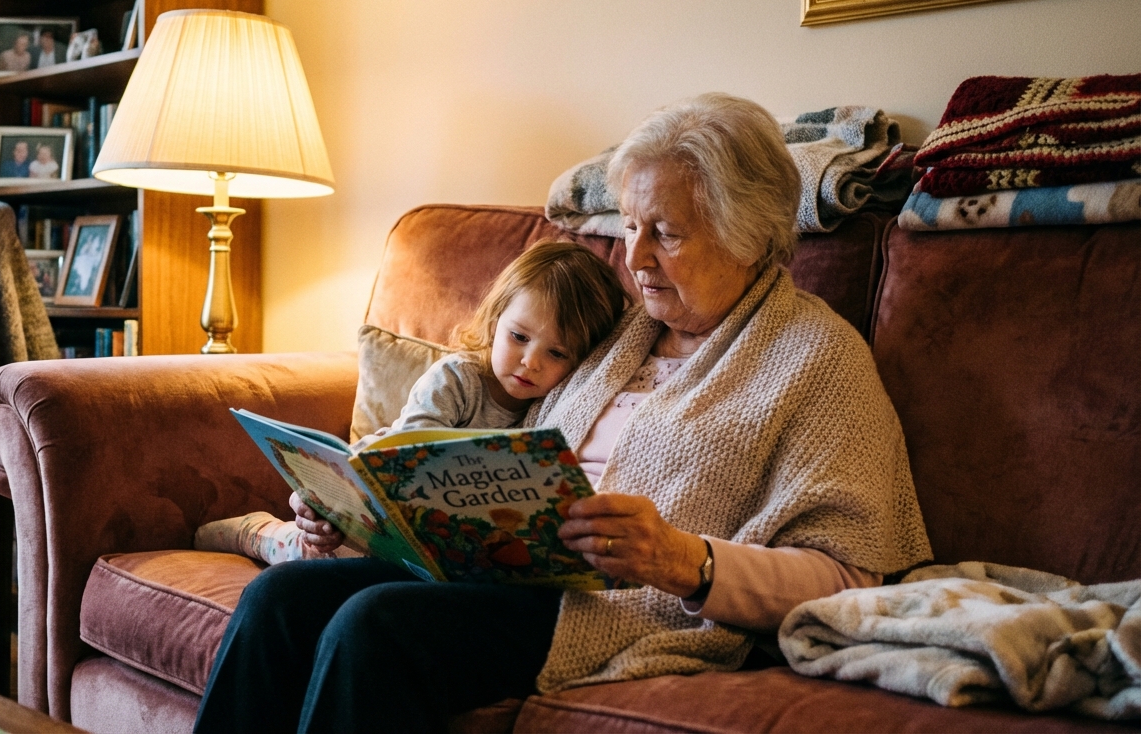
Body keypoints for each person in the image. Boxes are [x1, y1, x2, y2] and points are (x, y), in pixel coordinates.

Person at [193, 93, 933, 734]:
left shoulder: (818, 357)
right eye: (631, 226)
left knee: (375, 626)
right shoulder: (616, 334)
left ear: (748, 233)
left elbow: (852, 579)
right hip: (500, 571)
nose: (634, 257)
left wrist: (683, 559)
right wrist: (355, 509)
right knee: (279, 598)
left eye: (665, 232)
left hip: (619, 608)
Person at [193, 240, 627, 564]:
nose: (530, 362)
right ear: (495, 322)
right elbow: (402, 455)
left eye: (557, 353)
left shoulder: (557, 406)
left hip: (446, 543)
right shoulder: (457, 379)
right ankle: (256, 531)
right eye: (519, 337)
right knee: (307, 551)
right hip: (375, 495)